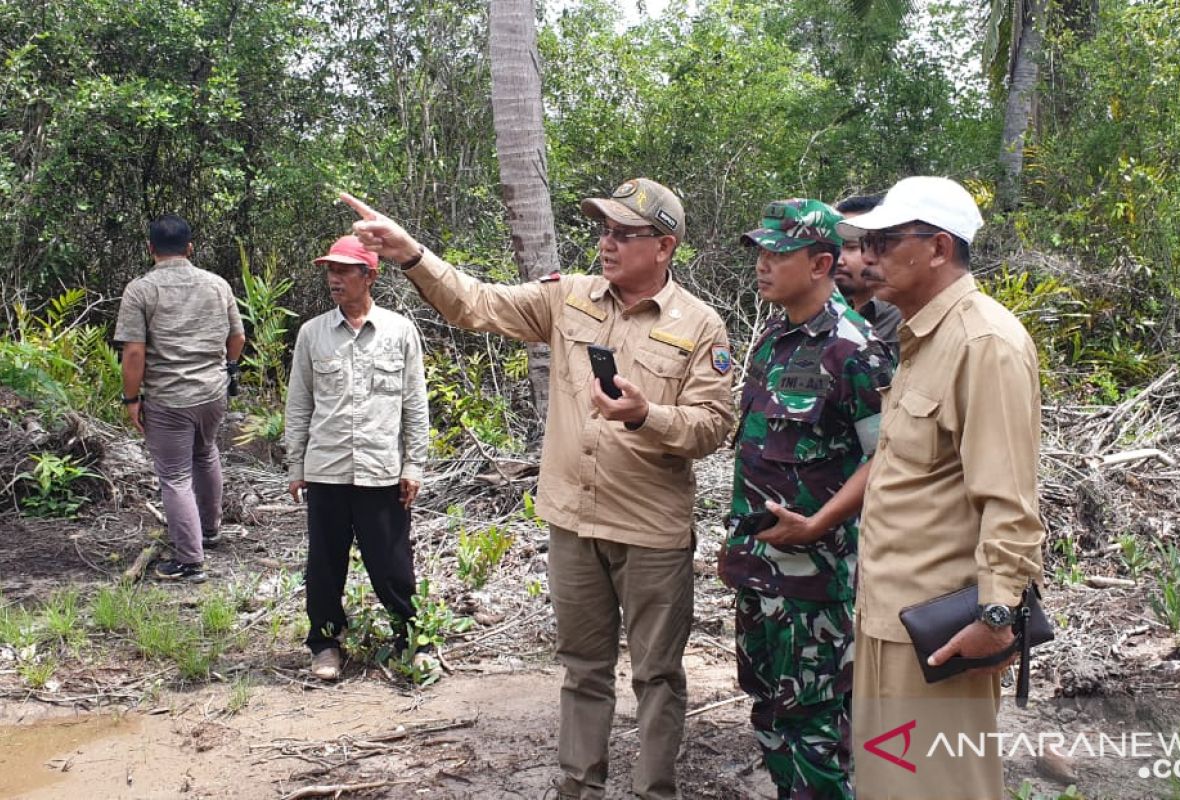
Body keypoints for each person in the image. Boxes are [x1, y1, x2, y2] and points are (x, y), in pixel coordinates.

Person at [342, 179, 734, 800]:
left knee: (658, 674)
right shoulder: (569, 298)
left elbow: (713, 426)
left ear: (664, 247)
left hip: (651, 532)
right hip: (573, 523)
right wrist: (410, 252)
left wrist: (645, 415)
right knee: (583, 670)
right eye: (602, 229)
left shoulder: (701, 326)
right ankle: (579, 785)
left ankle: (654, 789)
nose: (605, 243)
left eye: (622, 233)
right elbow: (475, 303)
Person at [837, 177, 1045, 800]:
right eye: (866, 240)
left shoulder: (984, 344)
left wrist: (999, 614)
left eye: (884, 240)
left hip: (943, 631)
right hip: (888, 617)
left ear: (936, 248)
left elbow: (1008, 497)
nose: (868, 254)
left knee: (943, 788)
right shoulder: (921, 339)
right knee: (889, 782)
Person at [720, 199, 892, 800]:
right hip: (759, 569)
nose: (762, 266)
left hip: (816, 584)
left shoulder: (856, 348)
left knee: (815, 726)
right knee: (769, 712)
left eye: (778, 254)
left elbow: (884, 458)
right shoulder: (773, 338)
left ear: (821, 263)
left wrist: (818, 521)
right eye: (760, 253)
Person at [283, 236, 430, 682]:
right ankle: (325, 643)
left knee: (391, 563)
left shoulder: (400, 331)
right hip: (326, 470)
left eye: (345, 270)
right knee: (324, 564)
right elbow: (299, 404)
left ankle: (411, 639)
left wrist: (414, 465)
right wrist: (296, 466)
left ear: (370, 275)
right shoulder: (312, 333)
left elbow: (415, 403)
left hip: (381, 471)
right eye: (330, 269)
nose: (334, 278)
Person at [115, 214, 245, 583]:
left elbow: (134, 353)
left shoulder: (141, 289)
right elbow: (238, 338)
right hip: (212, 393)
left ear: (150, 248)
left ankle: (190, 560)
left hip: (170, 397)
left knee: (174, 476)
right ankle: (209, 530)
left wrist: (131, 399)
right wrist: (229, 368)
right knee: (206, 454)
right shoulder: (217, 284)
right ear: (190, 248)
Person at [833, 194, 903, 359]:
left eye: (851, 247)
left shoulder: (904, 319)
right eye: (835, 248)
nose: (838, 260)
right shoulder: (834, 315)